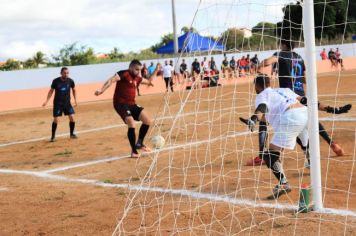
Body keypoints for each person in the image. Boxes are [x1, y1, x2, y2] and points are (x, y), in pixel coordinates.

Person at [251, 39, 351, 166]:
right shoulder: (299, 57)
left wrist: (260, 66)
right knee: (309, 121)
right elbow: (304, 78)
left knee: (268, 120)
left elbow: (267, 62)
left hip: (288, 95)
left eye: (281, 44)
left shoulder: (281, 54)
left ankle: (262, 155)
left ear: (284, 45)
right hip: (299, 93)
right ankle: (332, 144)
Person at [240, 75, 308, 198]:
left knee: (270, 155)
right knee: (290, 145)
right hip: (305, 113)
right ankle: (308, 158)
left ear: (257, 86)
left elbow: (263, 107)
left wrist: (254, 118)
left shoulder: (261, 95)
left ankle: (283, 184)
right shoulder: (280, 90)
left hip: (290, 118)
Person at [94, 60, 160, 158]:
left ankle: (139, 143)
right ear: (131, 67)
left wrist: (156, 70)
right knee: (131, 123)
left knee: (147, 121)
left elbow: (149, 81)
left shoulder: (137, 78)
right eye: (136, 69)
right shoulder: (124, 73)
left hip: (132, 104)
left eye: (140, 70)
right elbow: (111, 80)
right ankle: (134, 151)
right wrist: (101, 90)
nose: (138, 72)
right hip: (120, 104)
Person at [42, 67, 78, 142]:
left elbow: (74, 90)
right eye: (65, 73)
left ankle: (72, 134)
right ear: (61, 73)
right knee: (56, 119)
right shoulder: (55, 81)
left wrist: (75, 100)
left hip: (67, 103)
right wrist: (46, 101)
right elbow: (51, 91)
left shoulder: (71, 81)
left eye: (67, 73)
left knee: (72, 117)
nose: (66, 74)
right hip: (58, 103)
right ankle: (53, 137)